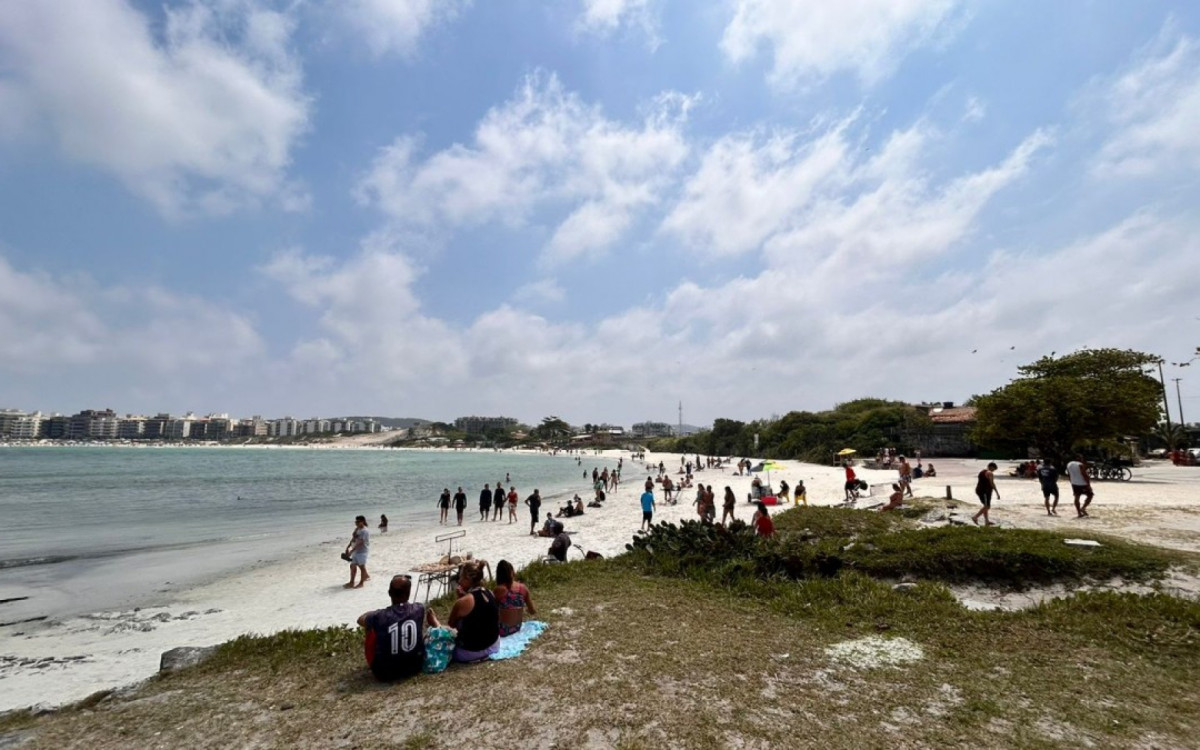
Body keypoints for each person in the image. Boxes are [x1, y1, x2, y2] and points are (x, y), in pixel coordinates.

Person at [357, 574, 439, 681]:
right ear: (408, 593)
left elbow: (360, 620)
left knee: (370, 628)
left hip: (385, 673)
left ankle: (377, 660)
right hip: (415, 667)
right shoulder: (419, 608)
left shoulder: (379, 616)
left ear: (389, 593)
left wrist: (376, 612)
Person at [448, 560, 500, 662]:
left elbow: (450, 627)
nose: (459, 581)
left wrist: (459, 599)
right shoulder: (490, 593)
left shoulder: (463, 602)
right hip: (494, 645)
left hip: (471, 652)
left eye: (461, 577)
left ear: (467, 578)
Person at [493, 560, 537, 637]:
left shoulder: (498, 590)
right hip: (516, 627)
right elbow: (532, 611)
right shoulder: (523, 588)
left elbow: (491, 611)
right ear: (513, 572)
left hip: (502, 631)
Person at [344, 515, 371, 589]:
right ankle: (351, 582)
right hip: (355, 551)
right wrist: (348, 547)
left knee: (362, 567)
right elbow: (353, 539)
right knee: (352, 566)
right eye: (356, 521)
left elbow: (361, 542)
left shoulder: (365, 531)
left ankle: (361, 583)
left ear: (362, 521)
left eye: (358, 521)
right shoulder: (358, 529)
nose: (356, 523)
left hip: (362, 551)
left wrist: (352, 550)